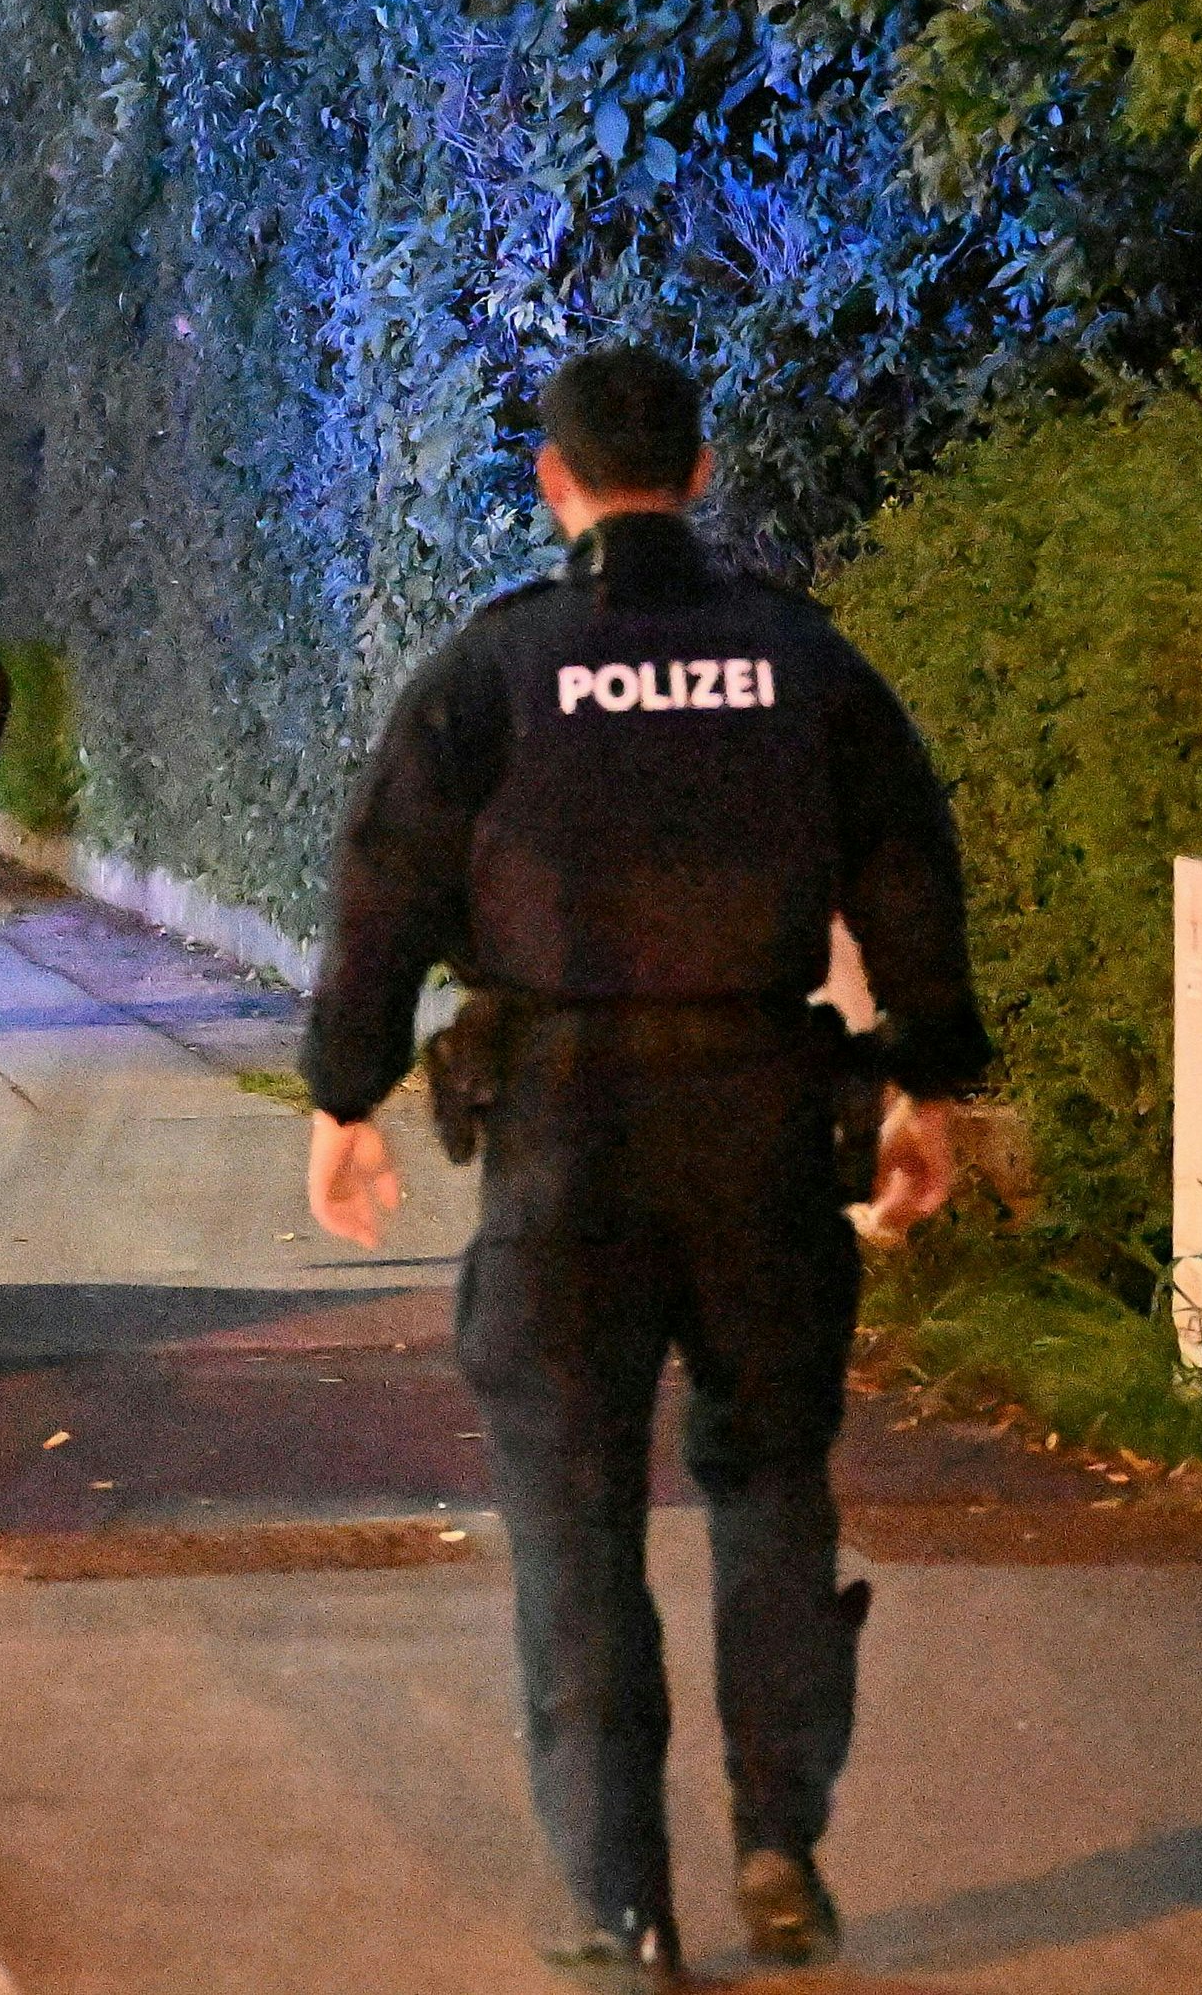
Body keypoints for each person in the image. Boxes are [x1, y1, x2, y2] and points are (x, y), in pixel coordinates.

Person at [298, 346, 990, 1989]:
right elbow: (905, 850)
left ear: (556, 483)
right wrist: (927, 1081)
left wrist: (345, 1095)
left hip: (562, 1140)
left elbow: (388, 874)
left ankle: (626, 1903)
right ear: (697, 471)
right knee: (769, 1491)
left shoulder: (498, 670)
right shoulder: (801, 660)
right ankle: (777, 1839)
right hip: (763, 1126)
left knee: (575, 1520)